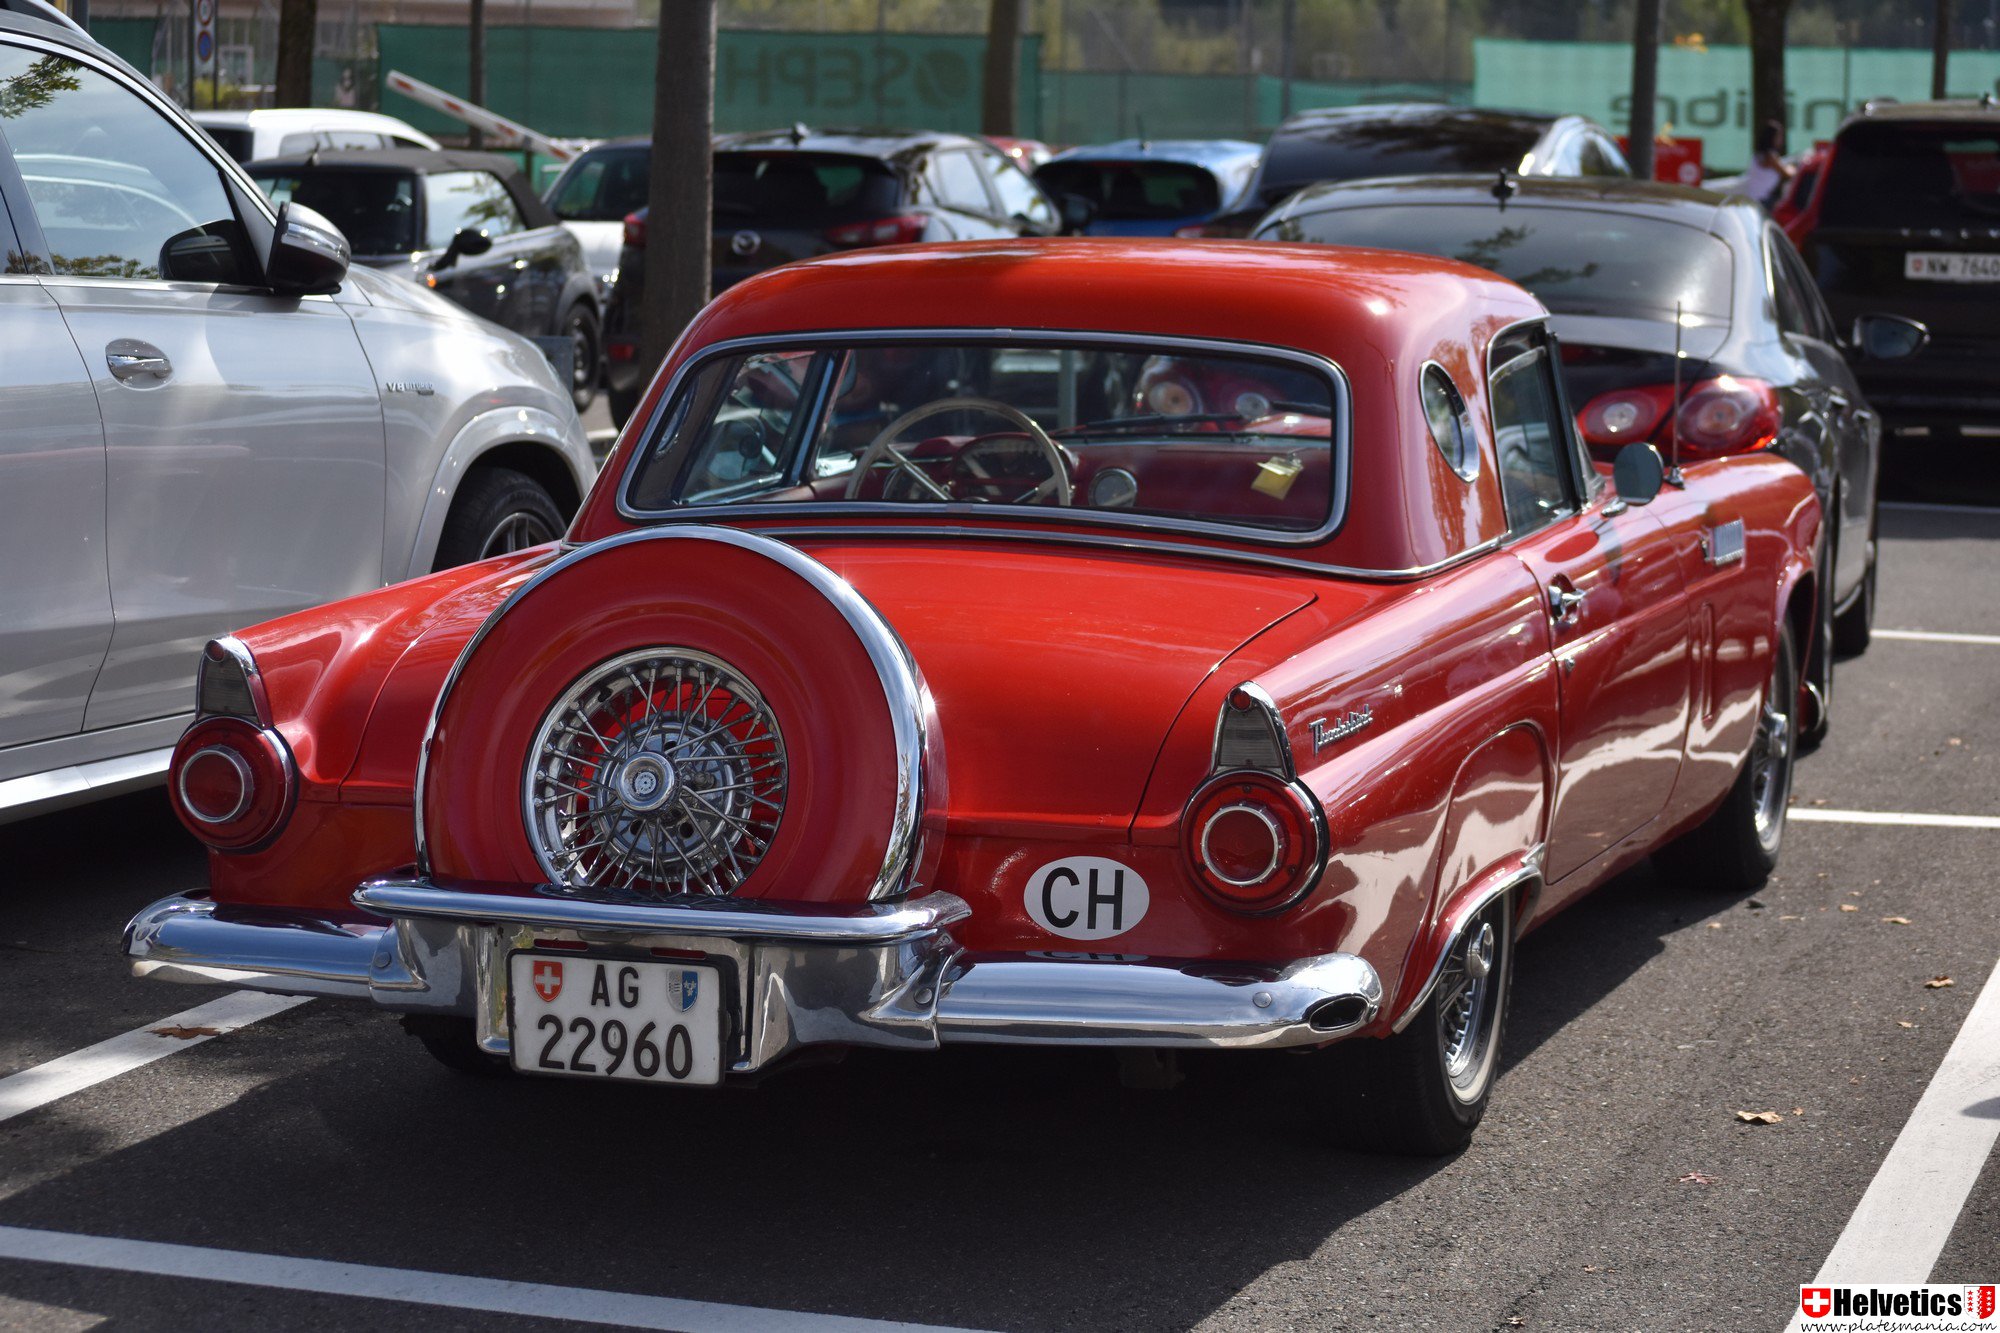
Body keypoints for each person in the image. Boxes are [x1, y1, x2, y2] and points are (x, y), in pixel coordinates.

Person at [1742, 119, 1795, 210]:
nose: (1781, 140)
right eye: (1779, 136)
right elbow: (1788, 174)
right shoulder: (1770, 156)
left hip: (1755, 200)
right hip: (1762, 202)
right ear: (1772, 137)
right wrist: (1794, 167)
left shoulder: (1758, 154)